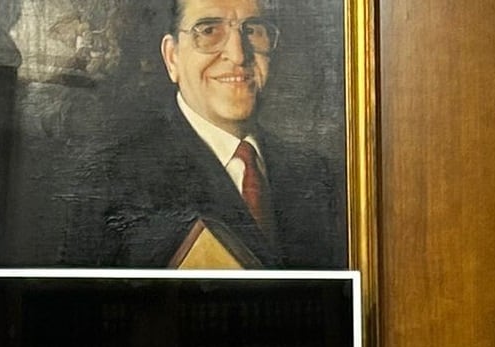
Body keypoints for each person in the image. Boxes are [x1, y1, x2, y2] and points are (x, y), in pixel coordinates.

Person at [97, 0, 345, 268]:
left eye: (252, 30)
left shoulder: (317, 176)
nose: (238, 54)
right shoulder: (114, 180)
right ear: (172, 57)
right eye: (208, 30)